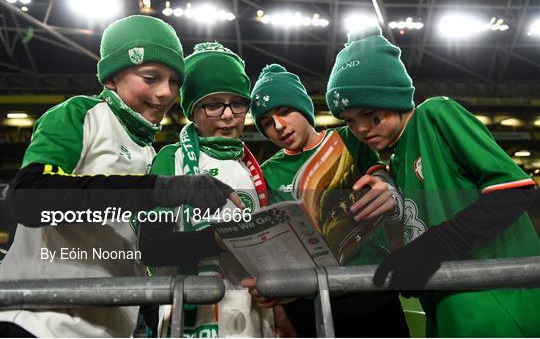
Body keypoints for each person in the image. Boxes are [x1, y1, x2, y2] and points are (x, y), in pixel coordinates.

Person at [0, 15, 236, 338]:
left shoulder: (152, 156)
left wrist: (220, 238)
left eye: (173, 81)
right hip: (38, 322)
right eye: (150, 77)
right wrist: (160, 190)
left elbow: (151, 251)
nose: (166, 92)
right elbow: (29, 198)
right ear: (112, 78)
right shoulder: (80, 115)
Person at [325, 24, 540, 337]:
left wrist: (435, 244)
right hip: (448, 307)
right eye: (350, 121)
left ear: (397, 99)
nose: (362, 129)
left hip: (499, 303)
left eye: (372, 115)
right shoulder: (394, 160)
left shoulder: (435, 113)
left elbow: (514, 190)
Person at [243, 63, 409, 337]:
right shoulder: (267, 172)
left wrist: (388, 188)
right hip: (310, 301)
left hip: (369, 290)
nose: (278, 126)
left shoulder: (350, 139)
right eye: (266, 123)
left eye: (285, 111)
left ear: (304, 108)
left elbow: (384, 178)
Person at [138, 42, 275, 338]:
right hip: (190, 318)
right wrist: (217, 239)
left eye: (237, 103)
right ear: (193, 110)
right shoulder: (171, 159)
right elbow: (151, 247)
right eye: (213, 104)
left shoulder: (253, 169)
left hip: (253, 319)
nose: (228, 115)